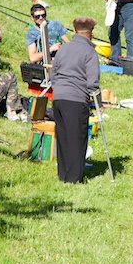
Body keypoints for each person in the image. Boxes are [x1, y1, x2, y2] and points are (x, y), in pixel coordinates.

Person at [51, 16, 101, 184]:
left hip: (58, 98)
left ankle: (63, 175)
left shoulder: (63, 49)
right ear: (91, 33)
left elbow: (54, 73)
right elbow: (92, 82)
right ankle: (74, 178)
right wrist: (99, 104)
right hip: (76, 99)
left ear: (75, 32)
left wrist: (58, 89)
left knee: (63, 137)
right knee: (77, 139)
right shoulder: (90, 52)